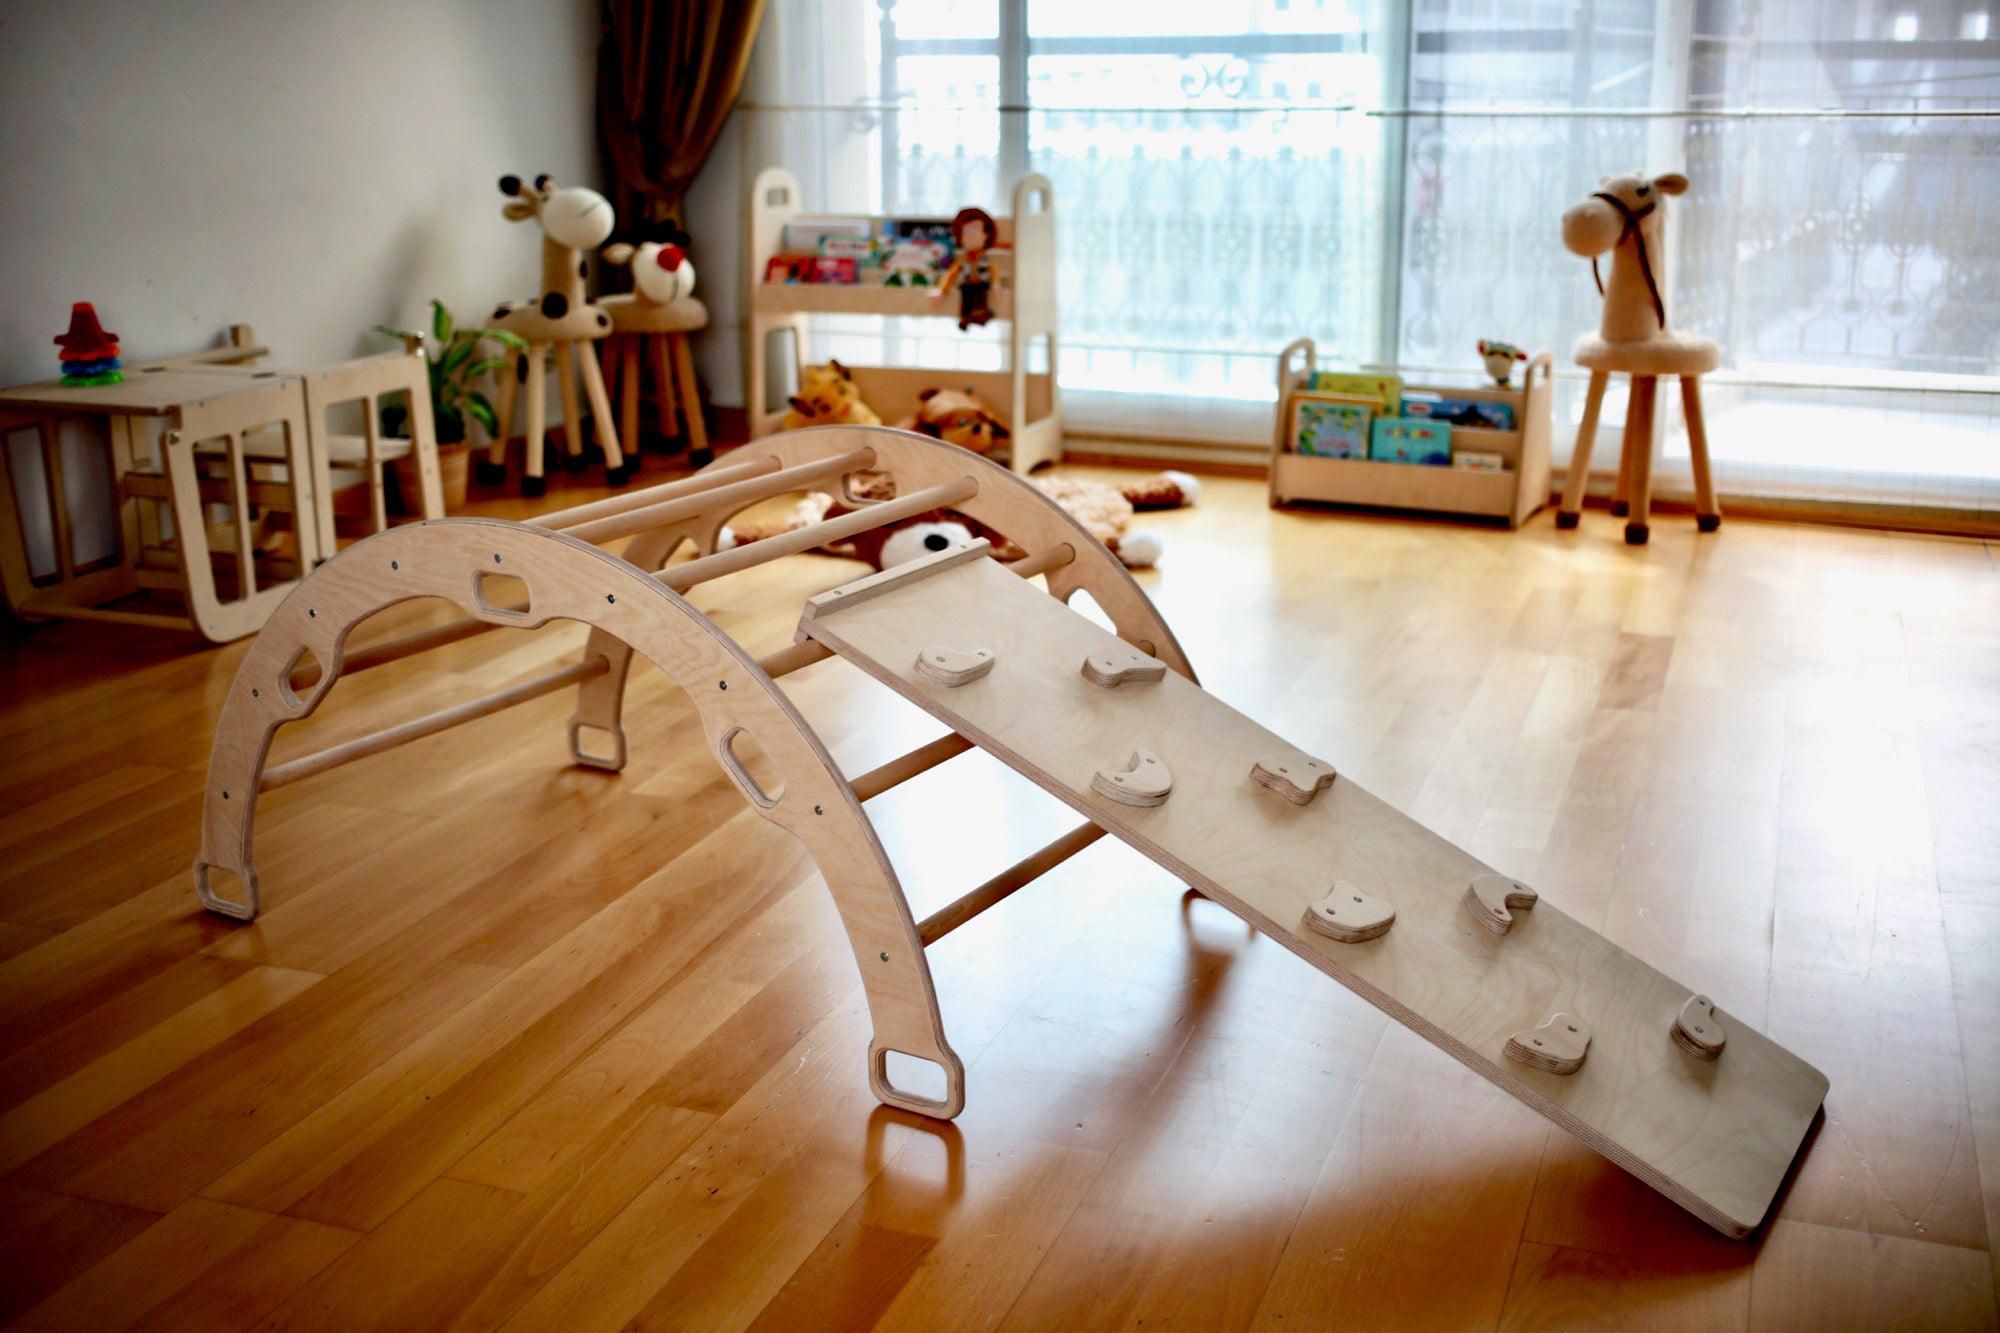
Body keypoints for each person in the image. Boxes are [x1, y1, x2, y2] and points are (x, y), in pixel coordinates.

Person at [935, 207, 1001, 330]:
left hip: (981, 285)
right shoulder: (962, 262)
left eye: (975, 229)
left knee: (980, 295)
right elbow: (951, 275)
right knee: (966, 295)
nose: (970, 235)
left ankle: (980, 313)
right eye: (965, 231)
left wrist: (996, 284)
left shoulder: (986, 262)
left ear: (987, 234)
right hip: (966, 286)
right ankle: (966, 316)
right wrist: (942, 290)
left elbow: (993, 272)